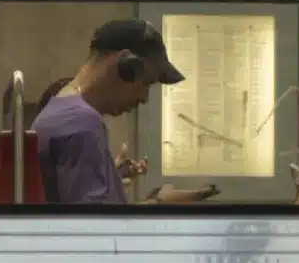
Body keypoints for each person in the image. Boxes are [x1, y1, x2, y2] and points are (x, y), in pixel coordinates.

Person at [32, 19, 209, 205]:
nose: (145, 98)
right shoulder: (82, 123)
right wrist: (160, 203)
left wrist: (110, 175)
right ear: (125, 65)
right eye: (146, 82)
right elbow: (96, 222)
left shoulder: (61, 109)